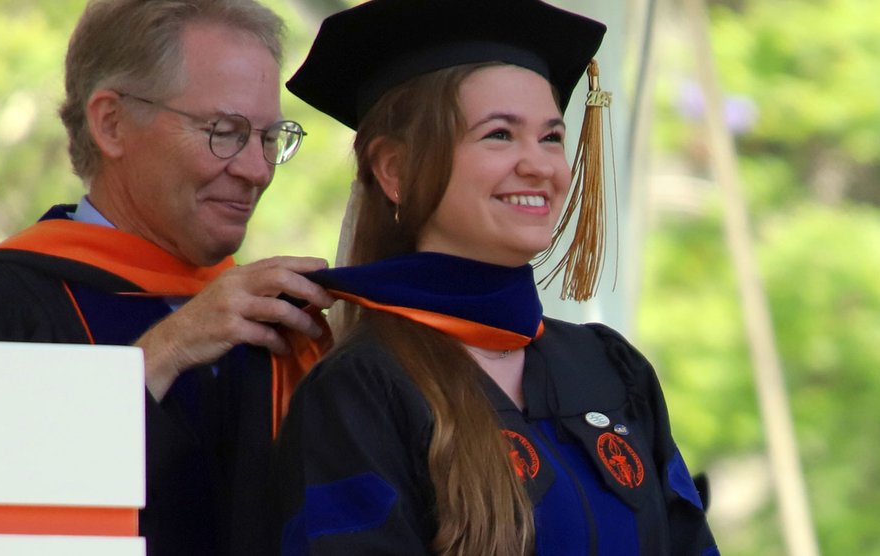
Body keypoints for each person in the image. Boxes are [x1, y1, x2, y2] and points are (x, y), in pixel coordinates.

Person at [270, 0, 721, 554]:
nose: (538, 164)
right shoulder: (363, 392)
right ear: (395, 169)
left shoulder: (610, 368)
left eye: (552, 137)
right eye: (500, 135)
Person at [0, 0, 335, 554]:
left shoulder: (264, 319)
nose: (257, 170)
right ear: (111, 124)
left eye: (268, 138)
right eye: (225, 131)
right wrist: (167, 351)